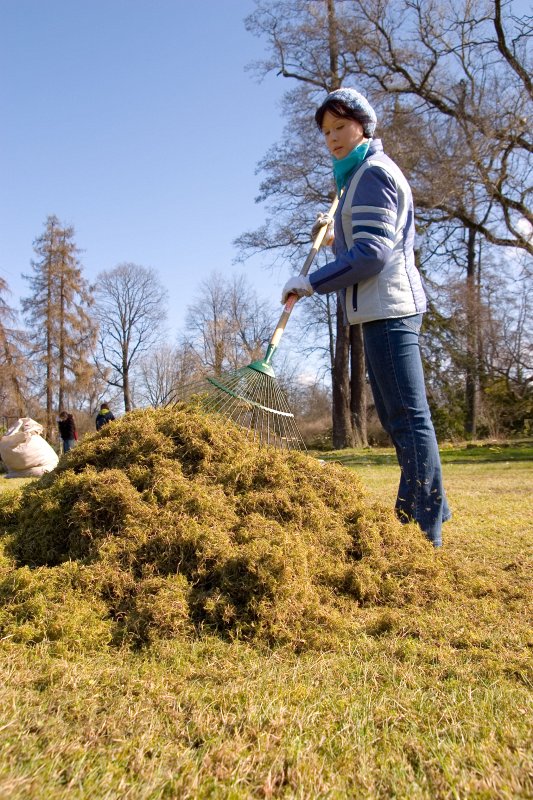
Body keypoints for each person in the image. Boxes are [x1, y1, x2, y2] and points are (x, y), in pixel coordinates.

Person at [281, 87, 450, 547]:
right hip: (378, 310)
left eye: (341, 127)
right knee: (403, 419)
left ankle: (421, 529)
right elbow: (365, 244)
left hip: (390, 309)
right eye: (326, 131)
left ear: (363, 125)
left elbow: (374, 255)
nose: (333, 138)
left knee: (407, 419)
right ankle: (420, 513)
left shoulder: (373, 173)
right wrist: (334, 238)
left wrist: (312, 282)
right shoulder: (355, 177)